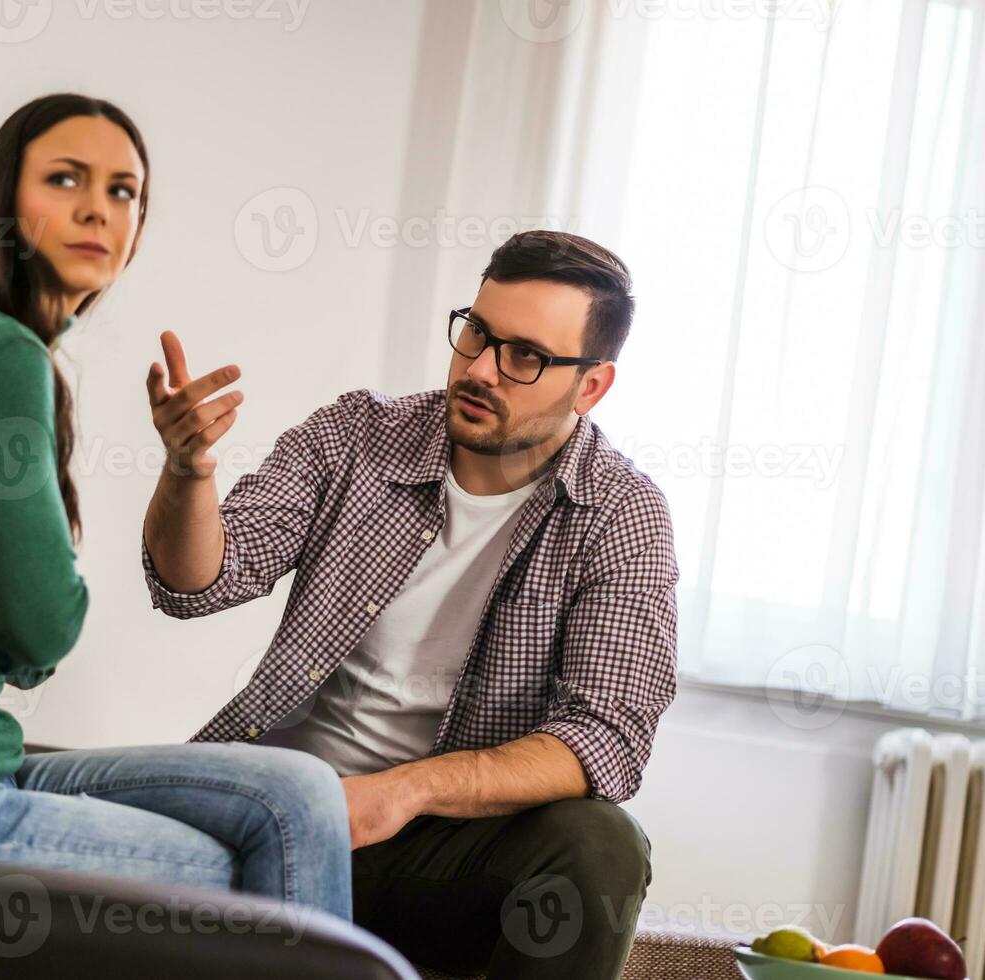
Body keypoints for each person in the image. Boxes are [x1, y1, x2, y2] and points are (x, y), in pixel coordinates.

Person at [0, 93, 352, 925]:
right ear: (3, 205)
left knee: (301, 792)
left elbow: (22, 634)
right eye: (65, 179)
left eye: (124, 191)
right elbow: (42, 628)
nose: (98, 207)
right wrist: (21, 608)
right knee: (237, 877)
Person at [142, 230, 678, 978]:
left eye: (525, 356)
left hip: (434, 848)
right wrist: (186, 472)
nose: (482, 368)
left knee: (601, 843)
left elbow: (605, 738)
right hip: (277, 808)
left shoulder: (620, 514)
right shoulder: (358, 434)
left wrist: (405, 792)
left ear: (590, 387)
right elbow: (200, 582)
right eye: (477, 334)